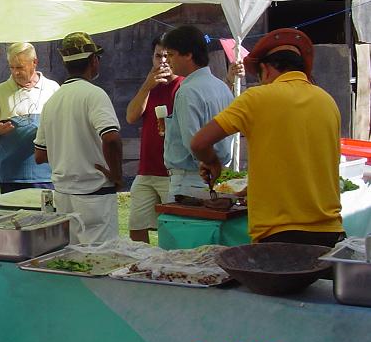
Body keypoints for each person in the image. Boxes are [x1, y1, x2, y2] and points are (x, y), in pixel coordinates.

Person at [191, 29, 345, 246]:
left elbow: (199, 143)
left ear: (265, 69)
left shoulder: (257, 97)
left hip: (279, 235)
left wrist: (213, 163)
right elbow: (301, 163)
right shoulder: (327, 101)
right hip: (330, 232)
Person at [34, 32, 123, 244]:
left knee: (72, 254)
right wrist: (117, 175)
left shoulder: (52, 102)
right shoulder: (94, 94)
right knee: (100, 255)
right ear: (93, 61)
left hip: (63, 195)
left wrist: (67, 154)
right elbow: (111, 138)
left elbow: (40, 155)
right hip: (95, 193)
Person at [161, 25, 234, 202]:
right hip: (217, 174)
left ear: (188, 54)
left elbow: (193, 142)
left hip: (190, 179)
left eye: (171, 54)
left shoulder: (187, 91)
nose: (167, 61)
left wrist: (208, 161)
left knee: (185, 221)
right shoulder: (222, 87)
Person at [125, 35, 183, 243]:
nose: (163, 61)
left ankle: (168, 260)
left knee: (172, 230)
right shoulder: (150, 86)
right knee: (136, 226)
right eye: (158, 56)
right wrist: (146, 86)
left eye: (168, 56)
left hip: (172, 172)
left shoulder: (183, 86)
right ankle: (143, 261)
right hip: (146, 171)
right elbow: (131, 117)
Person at [0, 42, 59, 193]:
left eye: (20, 67)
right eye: (12, 67)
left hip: (47, 176)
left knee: (47, 209)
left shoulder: (52, 88)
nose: (15, 72)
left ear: (34, 62)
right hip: (11, 177)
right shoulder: (1, 91)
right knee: (12, 210)